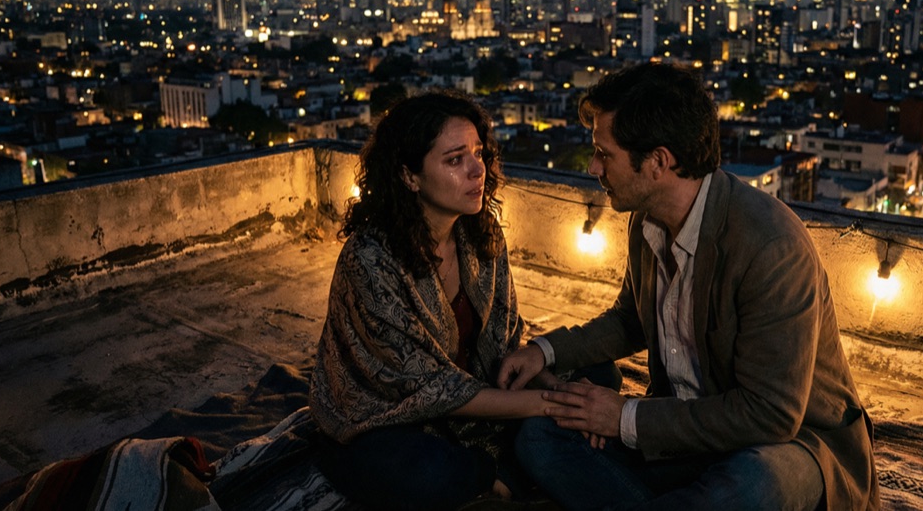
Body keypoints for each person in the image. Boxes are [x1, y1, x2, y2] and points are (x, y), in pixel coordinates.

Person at [498, 64, 879, 511]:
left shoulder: (770, 245)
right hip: (687, 431)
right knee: (541, 435)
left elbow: (771, 414)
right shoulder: (646, 221)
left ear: (659, 161)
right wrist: (542, 352)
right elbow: (630, 320)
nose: (593, 167)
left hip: (791, 444)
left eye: (605, 154)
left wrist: (623, 416)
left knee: (749, 485)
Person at [309, 91, 558, 511]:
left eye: (478, 153)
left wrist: (556, 387)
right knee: (425, 473)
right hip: (389, 417)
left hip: (473, 398)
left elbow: (505, 340)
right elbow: (425, 387)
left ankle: (496, 474)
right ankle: (488, 475)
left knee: (594, 375)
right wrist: (548, 405)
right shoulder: (369, 259)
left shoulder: (481, 232)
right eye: (455, 159)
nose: (478, 170)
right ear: (410, 176)